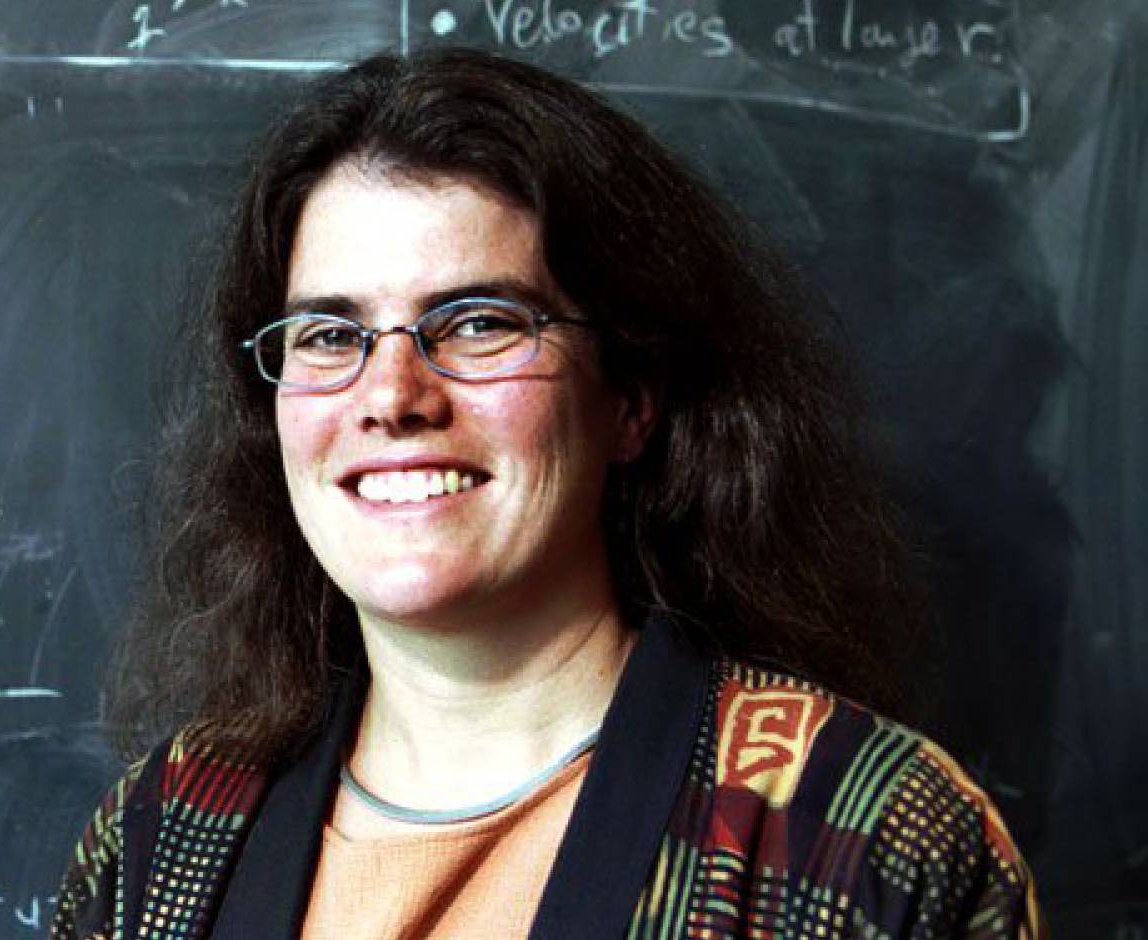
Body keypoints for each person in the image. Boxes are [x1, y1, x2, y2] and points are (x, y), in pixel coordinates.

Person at [51, 48, 1043, 939]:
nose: (391, 396)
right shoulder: (165, 835)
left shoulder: (860, 839)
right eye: (329, 335)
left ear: (631, 399)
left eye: (478, 322)